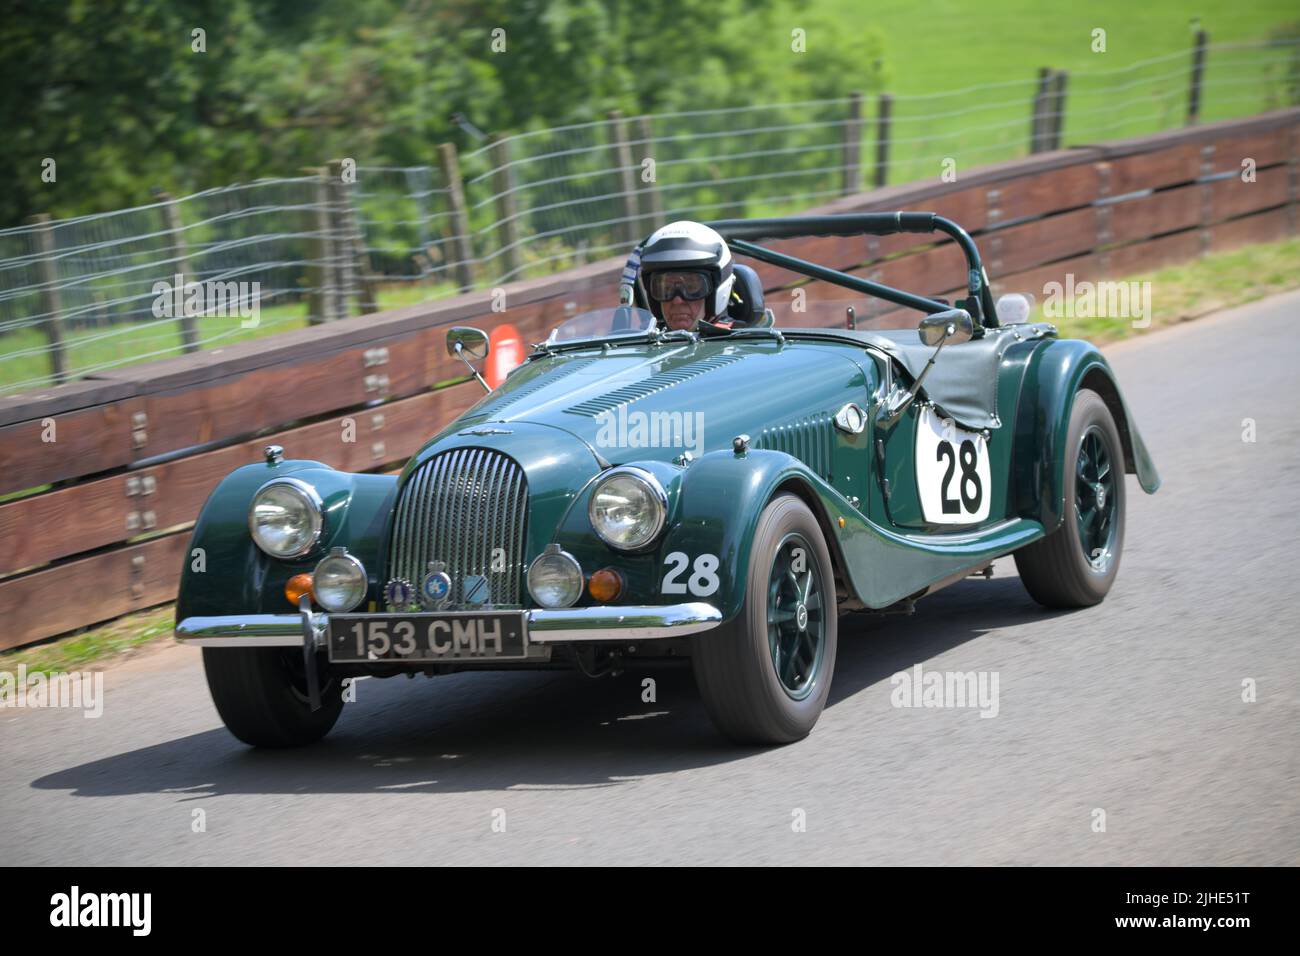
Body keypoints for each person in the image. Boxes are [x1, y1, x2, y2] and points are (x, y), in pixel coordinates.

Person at [637, 221, 736, 332]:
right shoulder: (643, 342)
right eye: (666, 288)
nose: (677, 301)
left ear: (715, 292)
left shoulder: (743, 342)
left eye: (691, 287)